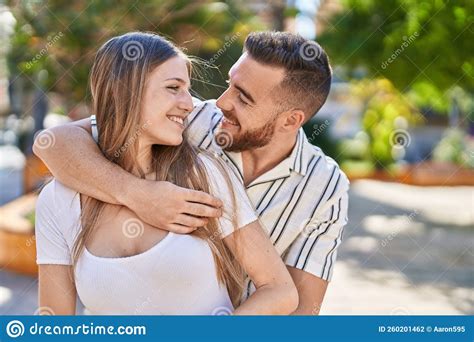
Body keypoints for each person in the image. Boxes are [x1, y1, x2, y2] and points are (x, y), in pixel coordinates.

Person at [34, 31, 349, 315]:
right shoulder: (192, 120)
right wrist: (137, 194)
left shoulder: (324, 187)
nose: (220, 102)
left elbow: (300, 311)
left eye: (244, 96)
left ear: (291, 121)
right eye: (230, 84)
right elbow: (56, 142)